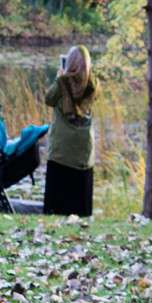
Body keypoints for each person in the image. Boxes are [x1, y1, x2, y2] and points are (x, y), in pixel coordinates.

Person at [43, 45, 97, 217]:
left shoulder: (62, 83)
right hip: (83, 150)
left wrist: (61, 76)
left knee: (56, 208)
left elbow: (48, 99)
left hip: (62, 150)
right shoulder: (93, 85)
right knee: (81, 206)